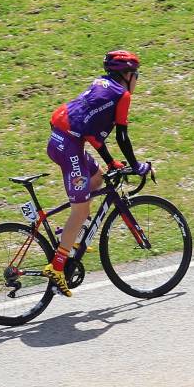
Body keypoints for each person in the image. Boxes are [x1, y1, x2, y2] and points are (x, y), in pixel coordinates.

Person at [45, 51, 151, 295]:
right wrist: (137, 166)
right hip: (69, 144)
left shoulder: (102, 85)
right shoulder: (121, 95)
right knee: (81, 211)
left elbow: (91, 132)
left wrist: (111, 161)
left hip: (65, 137)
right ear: (127, 75)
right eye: (137, 76)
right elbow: (122, 136)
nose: (137, 81)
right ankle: (57, 266)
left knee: (97, 176)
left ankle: (68, 234)